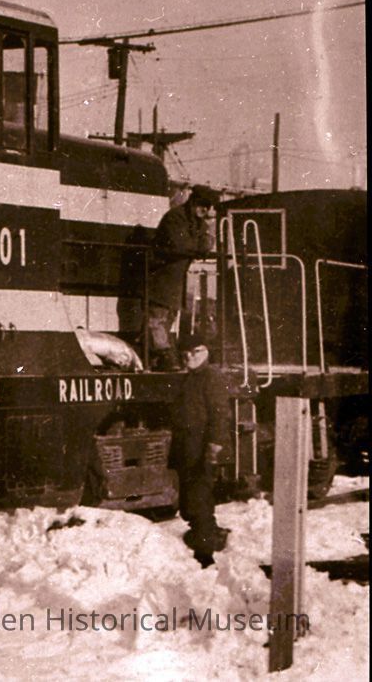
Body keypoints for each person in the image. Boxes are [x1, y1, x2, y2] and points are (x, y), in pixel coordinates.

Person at [172, 331, 232, 560]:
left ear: (205, 352)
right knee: (193, 498)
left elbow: (220, 414)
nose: (189, 357)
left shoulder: (211, 377)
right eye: (184, 353)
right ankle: (206, 536)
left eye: (195, 352)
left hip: (202, 448)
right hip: (189, 448)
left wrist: (215, 445)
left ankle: (205, 554)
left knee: (199, 496)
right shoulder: (190, 378)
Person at [145, 185, 217, 370]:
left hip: (176, 279)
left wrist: (202, 240)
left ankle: (156, 359)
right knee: (157, 319)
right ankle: (164, 357)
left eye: (208, 207)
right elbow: (181, 244)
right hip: (161, 276)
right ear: (193, 202)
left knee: (167, 319)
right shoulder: (175, 217)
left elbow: (206, 244)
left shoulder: (197, 222)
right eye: (203, 205)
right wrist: (197, 246)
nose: (206, 210)